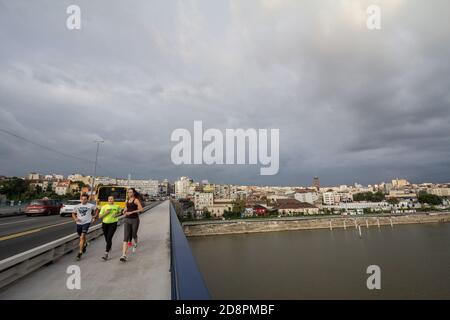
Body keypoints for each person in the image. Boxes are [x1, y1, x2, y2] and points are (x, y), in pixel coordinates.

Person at [120, 188, 143, 262]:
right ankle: (124, 255)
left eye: (131, 192)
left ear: (133, 193)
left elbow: (141, 209)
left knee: (134, 235)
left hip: (135, 220)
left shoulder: (136, 200)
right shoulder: (127, 200)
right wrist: (124, 210)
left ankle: (135, 243)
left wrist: (132, 212)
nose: (129, 193)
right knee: (125, 237)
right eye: (128, 192)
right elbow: (126, 207)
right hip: (127, 220)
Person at [72, 194, 96, 261]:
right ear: (80, 199)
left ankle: (80, 253)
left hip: (86, 222)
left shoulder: (91, 205)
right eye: (82, 199)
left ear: (87, 199)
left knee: (82, 236)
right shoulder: (77, 206)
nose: (83, 200)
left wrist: (95, 216)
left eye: (85, 199)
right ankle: (84, 244)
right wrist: (75, 218)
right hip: (79, 223)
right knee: (81, 236)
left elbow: (97, 209)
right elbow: (73, 213)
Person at [98, 196, 121, 261]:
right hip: (105, 223)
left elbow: (120, 212)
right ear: (108, 200)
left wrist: (116, 215)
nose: (110, 200)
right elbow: (100, 216)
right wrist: (106, 213)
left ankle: (106, 254)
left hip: (113, 223)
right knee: (107, 238)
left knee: (109, 237)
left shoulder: (117, 206)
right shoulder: (104, 207)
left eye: (112, 199)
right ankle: (109, 245)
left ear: (114, 200)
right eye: (109, 199)